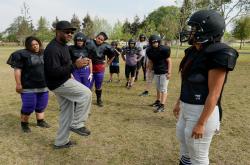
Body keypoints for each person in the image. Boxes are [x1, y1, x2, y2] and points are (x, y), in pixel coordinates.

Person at [173, 10, 238, 165]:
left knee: (198, 155)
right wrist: (179, 101)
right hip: (186, 105)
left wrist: (201, 123)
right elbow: (188, 81)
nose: (190, 32)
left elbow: (214, 93)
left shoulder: (218, 52)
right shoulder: (194, 51)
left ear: (207, 30)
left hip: (201, 110)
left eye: (194, 28)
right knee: (184, 144)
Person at [44, 21, 92, 149]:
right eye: (67, 32)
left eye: (71, 32)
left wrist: (74, 65)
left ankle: (61, 142)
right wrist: (75, 66)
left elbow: (65, 64)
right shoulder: (52, 49)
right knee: (86, 93)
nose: (70, 34)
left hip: (62, 80)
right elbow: (53, 72)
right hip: (58, 82)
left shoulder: (64, 46)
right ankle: (77, 124)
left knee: (67, 113)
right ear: (57, 32)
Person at [7, 36, 50, 133]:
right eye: (32, 45)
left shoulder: (44, 53)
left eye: (36, 44)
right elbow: (17, 70)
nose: (35, 46)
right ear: (28, 46)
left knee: (42, 104)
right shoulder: (22, 54)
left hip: (43, 85)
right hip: (28, 85)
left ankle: (40, 121)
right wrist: (18, 84)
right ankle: (24, 124)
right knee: (29, 105)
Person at [85, 32, 115, 107]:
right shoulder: (89, 42)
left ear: (103, 41)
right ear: (96, 37)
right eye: (98, 38)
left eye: (101, 40)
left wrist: (107, 63)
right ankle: (87, 101)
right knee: (88, 86)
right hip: (89, 67)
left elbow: (113, 55)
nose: (99, 40)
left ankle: (99, 99)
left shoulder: (106, 46)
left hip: (99, 68)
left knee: (98, 85)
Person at [146, 35, 172, 113]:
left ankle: (162, 105)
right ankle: (158, 101)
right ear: (151, 43)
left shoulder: (164, 50)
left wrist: (169, 72)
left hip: (164, 72)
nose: (155, 43)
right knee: (158, 88)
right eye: (153, 42)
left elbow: (169, 61)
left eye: (156, 42)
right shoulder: (150, 51)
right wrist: (150, 71)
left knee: (163, 89)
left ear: (159, 41)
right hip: (156, 72)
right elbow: (150, 61)